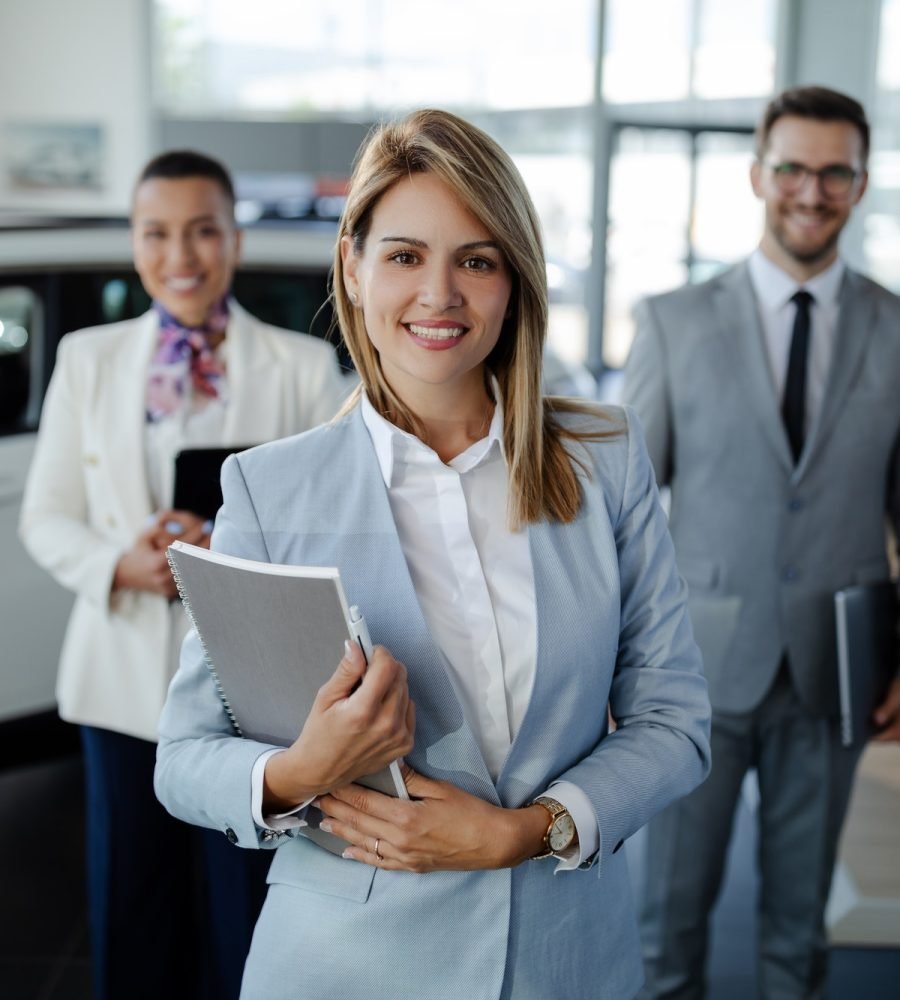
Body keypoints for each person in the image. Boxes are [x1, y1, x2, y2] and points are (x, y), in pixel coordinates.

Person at [154, 108, 711, 1000]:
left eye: (477, 261)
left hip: (562, 959)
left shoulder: (603, 459)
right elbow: (184, 759)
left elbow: (675, 720)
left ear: (515, 281)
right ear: (355, 266)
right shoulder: (271, 489)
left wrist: (529, 831)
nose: (440, 295)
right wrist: (303, 768)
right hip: (347, 963)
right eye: (406, 255)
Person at [18, 150, 349, 1000]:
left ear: (233, 238)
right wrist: (121, 562)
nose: (182, 255)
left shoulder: (301, 368)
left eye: (203, 230)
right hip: (121, 680)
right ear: (135, 243)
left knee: (244, 907)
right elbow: (46, 514)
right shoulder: (88, 361)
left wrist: (225, 550)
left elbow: (329, 524)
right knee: (133, 901)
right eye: (157, 233)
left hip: (251, 690)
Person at [623, 85, 900, 998]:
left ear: (860, 184)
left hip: (838, 670)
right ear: (757, 174)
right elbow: (620, 513)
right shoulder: (673, 320)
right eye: (792, 168)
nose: (810, 191)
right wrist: (616, 667)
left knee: (796, 934)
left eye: (834, 172)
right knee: (668, 927)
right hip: (692, 673)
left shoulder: (897, 329)